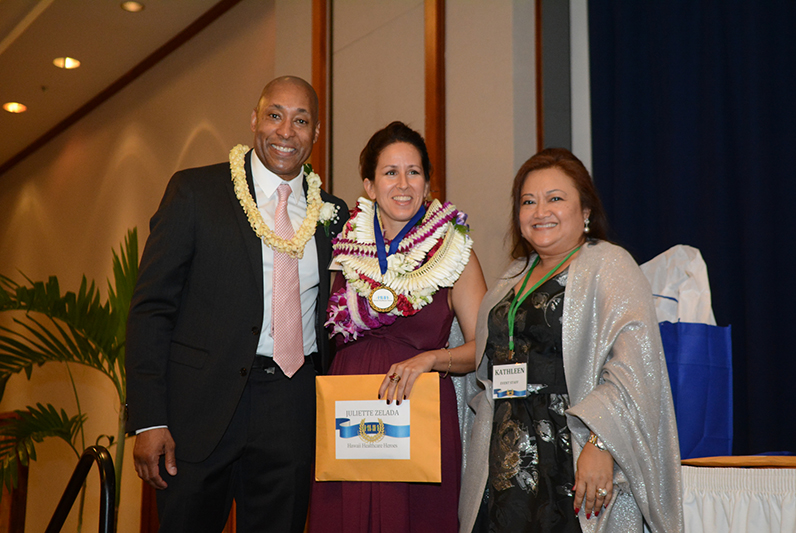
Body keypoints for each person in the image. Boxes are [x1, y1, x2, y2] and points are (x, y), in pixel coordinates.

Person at [125, 76, 348, 533]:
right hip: (200, 409)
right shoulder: (195, 192)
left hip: (292, 405)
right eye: (275, 115)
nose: (287, 131)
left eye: (301, 120)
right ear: (254, 119)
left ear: (316, 134)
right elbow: (152, 309)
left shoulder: (335, 213)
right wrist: (148, 420)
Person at [459, 148, 682, 532]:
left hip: (572, 457)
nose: (539, 210)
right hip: (504, 464)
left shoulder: (609, 265)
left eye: (555, 199)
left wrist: (600, 442)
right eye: (528, 201)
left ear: (586, 212)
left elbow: (633, 367)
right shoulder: (511, 278)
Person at [308, 121, 487, 533]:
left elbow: (484, 347)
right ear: (369, 186)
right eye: (390, 172)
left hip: (419, 415)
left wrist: (430, 359)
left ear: (427, 183)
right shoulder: (339, 248)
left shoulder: (454, 251)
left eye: (414, 172)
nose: (403, 184)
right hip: (346, 418)